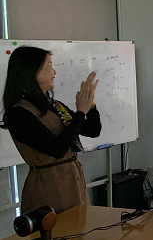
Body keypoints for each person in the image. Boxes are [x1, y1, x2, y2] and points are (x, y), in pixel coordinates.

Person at [1, 46, 101, 214]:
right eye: (49, 65)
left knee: (80, 225)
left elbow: (92, 131)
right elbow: (57, 149)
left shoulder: (55, 106)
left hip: (73, 181)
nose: (54, 72)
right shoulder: (18, 113)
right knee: (59, 228)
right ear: (32, 71)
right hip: (49, 186)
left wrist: (90, 106)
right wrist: (80, 112)